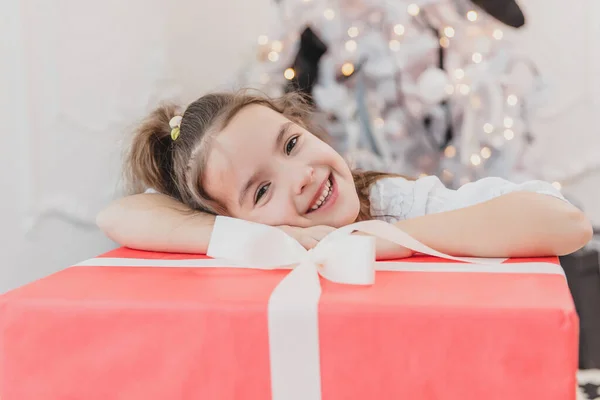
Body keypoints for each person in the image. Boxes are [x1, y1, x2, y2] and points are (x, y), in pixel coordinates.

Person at [97, 90, 592, 260]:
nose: (302, 176)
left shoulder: (390, 200)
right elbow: (118, 215)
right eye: (262, 189)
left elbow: (566, 222)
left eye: (291, 144)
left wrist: (375, 239)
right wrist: (251, 238)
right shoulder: (251, 237)